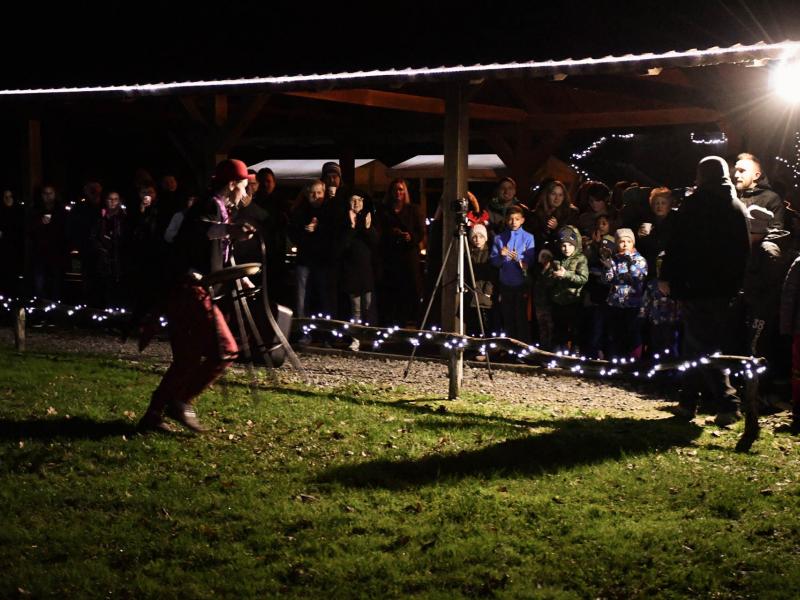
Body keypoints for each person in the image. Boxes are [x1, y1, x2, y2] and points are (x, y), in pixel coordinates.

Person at [137, 159, 256, 433]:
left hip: (187, 289)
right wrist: (231, 231)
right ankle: (181, 401)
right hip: (187, 289)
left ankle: (153, 415)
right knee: (226, 350)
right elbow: (200, 231)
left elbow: (218, 250)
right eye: (243, 185)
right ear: (231, 184)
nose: (246, 190)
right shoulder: (209, 205)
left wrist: (244, 278)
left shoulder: (222, 209)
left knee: (187, 358)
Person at [659, 156, 750, 426]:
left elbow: (678, 245)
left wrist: (669, 277)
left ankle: (728, 402)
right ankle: (688, 402)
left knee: (701, 344)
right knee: (696, 343)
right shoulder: (735, 205)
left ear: (702, 175)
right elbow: (743, 252)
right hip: (723, 289)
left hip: (696, 286)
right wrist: (736, 285)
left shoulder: (695, 204)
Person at [490, 206, 535, 344]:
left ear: (522, 220)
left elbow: (530, 260)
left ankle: (523, 348)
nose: (513, 222)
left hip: (521, 284)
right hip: (505, 283)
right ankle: (510, 348)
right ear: (505, 220)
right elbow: (494, 261)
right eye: (510, 219)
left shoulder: (528, 237)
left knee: (521, 317)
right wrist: (502, 257)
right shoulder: (499, 238)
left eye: (516, 219)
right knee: (507, 316)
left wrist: (520, 260)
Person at [601, 228, 648, 358]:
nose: (625, 244)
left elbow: (637, 278)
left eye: (628, 241)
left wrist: (624, 271)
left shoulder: (639, 260)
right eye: (622, 241)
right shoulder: (614, 260)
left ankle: (634, 359)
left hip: (633, 304)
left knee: (632, 333)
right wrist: (608, 268)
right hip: (615, 303)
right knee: (616, 333)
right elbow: (607, 280)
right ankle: (617, 359)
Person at [541, 226, 588, 352]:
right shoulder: (556, 260)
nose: (566, 248)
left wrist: (566, 274)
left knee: (575, 329)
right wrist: (549, 274)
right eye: (563, 245)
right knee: (558, 328)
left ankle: (575, 351)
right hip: (558, 300)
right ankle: (558, 351)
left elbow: (583, 278)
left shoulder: (580, 259)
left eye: (570, 245)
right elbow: (548, 282)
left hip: (574, 300)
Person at [733, 153, 784, 229]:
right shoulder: (733, 195)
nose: (736, 175)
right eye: (736, 170)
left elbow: (776, 231)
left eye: (742, 171)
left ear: (756, 176)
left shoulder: (771, 198)